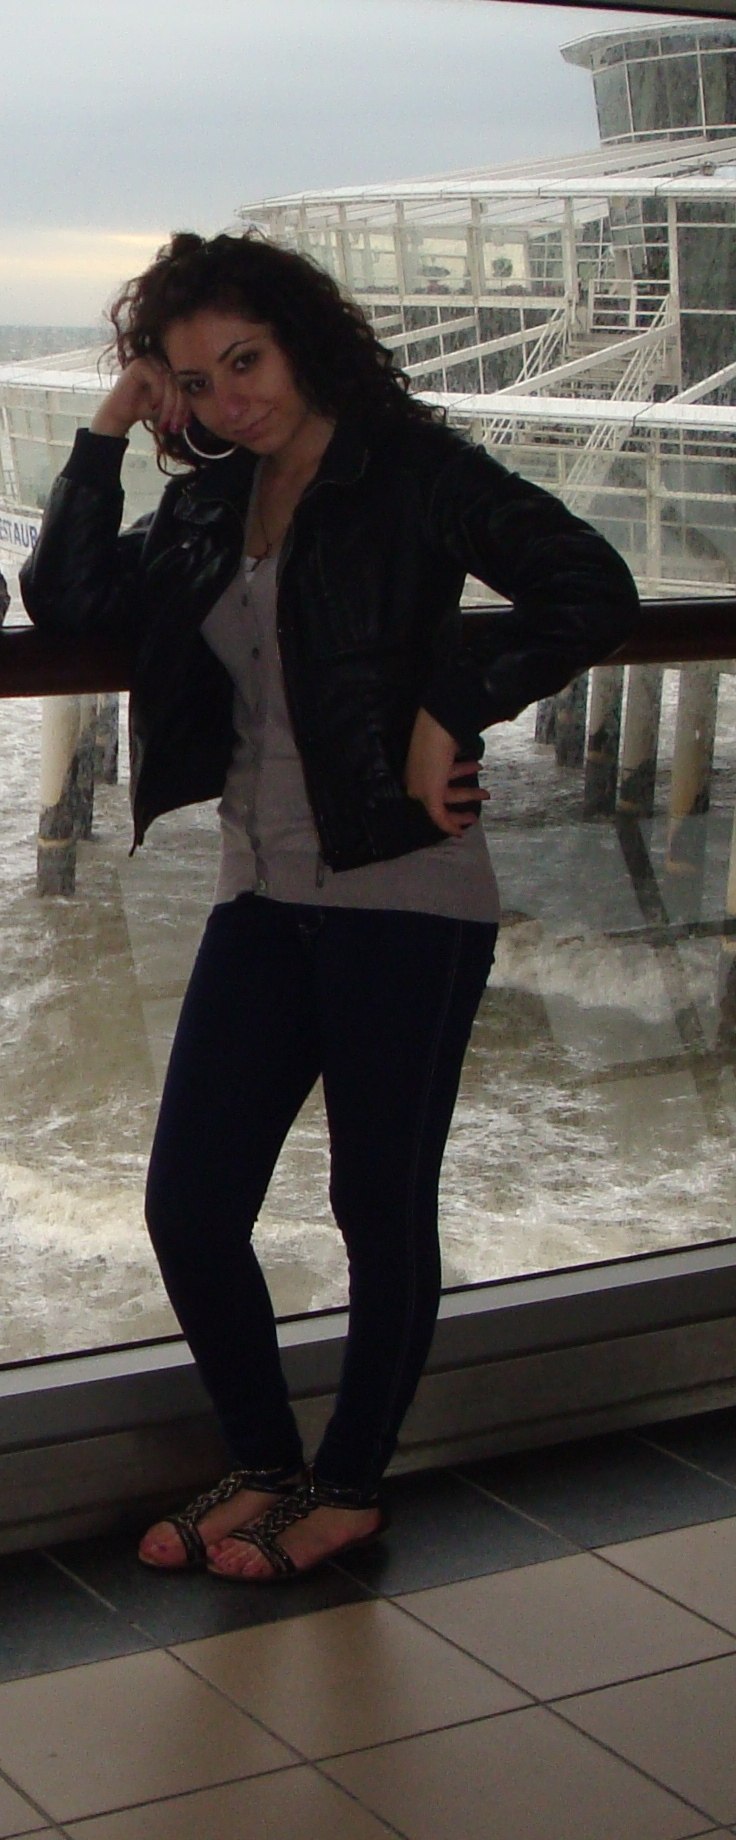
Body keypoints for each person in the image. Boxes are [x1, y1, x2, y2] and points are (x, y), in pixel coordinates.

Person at [21, 231, 639, 1582]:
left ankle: (348, 1486)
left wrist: (453, 708)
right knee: (191, 1207)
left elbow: (592, 585)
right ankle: (263, 1462)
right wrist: (111, 426)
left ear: (302, 340)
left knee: (378, 1203)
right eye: (195, 380)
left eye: (245, 361)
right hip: (259, 894)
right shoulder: (210, 504)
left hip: (405, 891)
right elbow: (65, 597)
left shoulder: (409, 469)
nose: (229, 398)